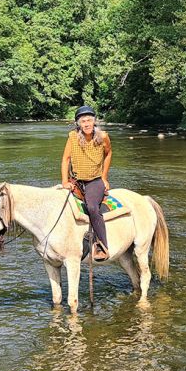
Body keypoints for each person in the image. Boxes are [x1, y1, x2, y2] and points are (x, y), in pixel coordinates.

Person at [60, 106, 112, 261]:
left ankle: (102, 246)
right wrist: (64, 181)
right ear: (78, 124)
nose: (87, 123)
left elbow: (108, 153)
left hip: (94, 181)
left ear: (94, 121)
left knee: (92, 207)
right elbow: (66, 159)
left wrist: (104, 177)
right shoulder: (72, 137)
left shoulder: (103, 136)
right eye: (83, 121)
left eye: (89, 120)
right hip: (75, 181)